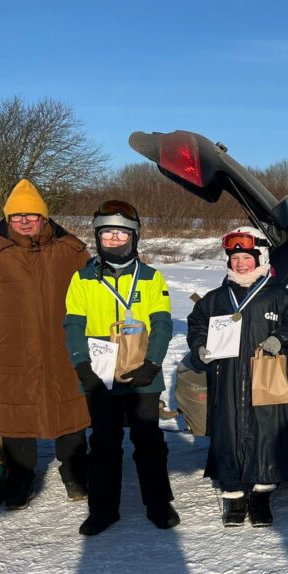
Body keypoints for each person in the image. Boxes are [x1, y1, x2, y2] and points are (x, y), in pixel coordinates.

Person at [0, 179, 90, 509]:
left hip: (65, 348)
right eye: (16, 215)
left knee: (71, 412)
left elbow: (95, 300)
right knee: (16, 418)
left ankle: (76, 474)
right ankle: (21, 481)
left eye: (30, 214)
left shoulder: (72, 250)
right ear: (7, 218)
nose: (23, 220)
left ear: (44, 217)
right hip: (13, 349)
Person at [63, 200, 179, 535]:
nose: (114, 239)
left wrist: (153, 362)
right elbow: (72, 324)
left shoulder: (150, 278)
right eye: (107, 234)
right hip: (100, 372)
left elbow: (162, 323)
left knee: (149, 441)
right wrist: (81, 365)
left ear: (135, 236)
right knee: (103, 442)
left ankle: (158, 504)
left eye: (121, 233)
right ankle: (103, 509)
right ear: (98, 237)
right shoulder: (83, 278)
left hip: (143, 371)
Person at [187, 227, 288, 527]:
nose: (241, 263)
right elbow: (196, 324)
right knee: (229, 435)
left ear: (261, 258)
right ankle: (233, 497)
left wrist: (282, 337)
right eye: (235, 258)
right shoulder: (217, 298)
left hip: (265, 380)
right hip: (227, 381)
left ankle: (260, 497)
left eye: (247, 257)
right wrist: (200, 347)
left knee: (266, 437)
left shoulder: (279, 296)